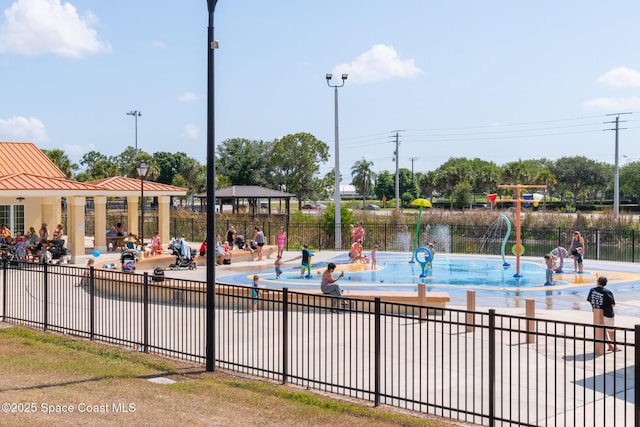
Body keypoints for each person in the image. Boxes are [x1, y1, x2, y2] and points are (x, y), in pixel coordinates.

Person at [586, 276, 620, 352]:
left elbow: (589, 300)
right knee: (611, 331)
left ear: (598, 282)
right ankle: (615, 346)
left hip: (597, 313)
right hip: (607, 313)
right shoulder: (607, 292)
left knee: (602, 330)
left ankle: (610, 345)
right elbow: (613, 304)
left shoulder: (592, 290)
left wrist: (595, 306)